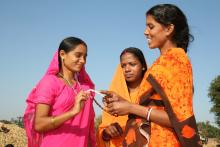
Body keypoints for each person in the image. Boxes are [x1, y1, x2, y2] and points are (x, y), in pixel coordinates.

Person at [102, 4, 201, 147]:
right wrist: (122, 100)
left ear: (168, 29)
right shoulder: (162, 62)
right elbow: (156, 107)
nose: (145, 32)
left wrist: (130, 108)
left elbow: (179, 118)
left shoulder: (176, 61)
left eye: (151, 26)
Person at [23, 37, 96, 147]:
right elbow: (39, 124)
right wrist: (72, 112)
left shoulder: (86, 88)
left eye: (85, 56)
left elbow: (88, 126)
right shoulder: (50, 82)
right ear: (62, 54)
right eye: (78, 55)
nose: (83, 60)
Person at [97, 47, 147, 147]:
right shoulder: (113, 98)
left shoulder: (152, 93)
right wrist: (107, 132)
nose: (127, 69)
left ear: (143, 66)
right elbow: (102, 132)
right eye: (123, 66)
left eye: (132, 64)